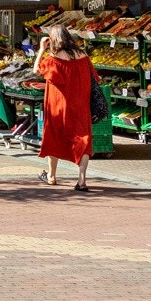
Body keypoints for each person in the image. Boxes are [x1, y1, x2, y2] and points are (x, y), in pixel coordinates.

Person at [35, 24, 95, 190]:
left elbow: (36, 70)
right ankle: (82, 180)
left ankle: (52, 176)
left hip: (58, 104)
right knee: (83, 138)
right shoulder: (83, 54)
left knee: (54, 136)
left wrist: (42, 49)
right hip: (81, 104)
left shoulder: (54, 57)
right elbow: (91, 77)